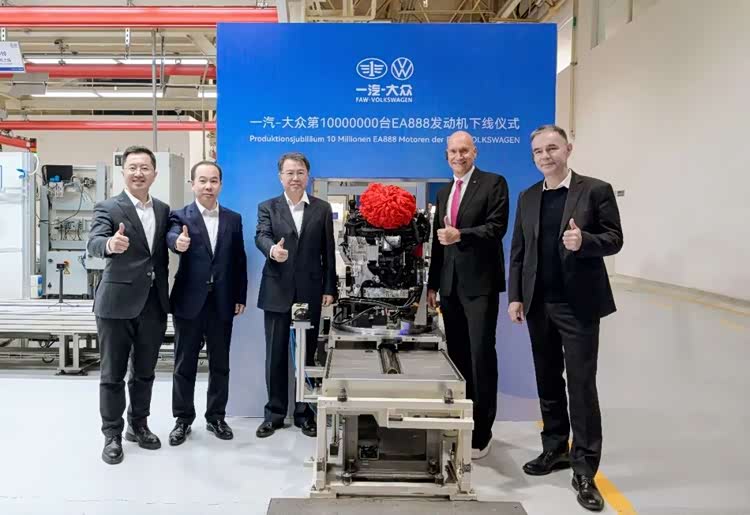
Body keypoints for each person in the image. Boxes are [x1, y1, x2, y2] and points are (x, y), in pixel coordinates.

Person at [508, 124, 623, 512]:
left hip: (578, 305)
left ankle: (585, 469)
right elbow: (519, 251)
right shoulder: (527, 197)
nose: (545, 156)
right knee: (547, 381)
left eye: (552, 148)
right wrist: (516, 296)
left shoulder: (595, 190)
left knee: (581, 385)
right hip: (538, 304)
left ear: (568, 149)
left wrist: (585, 241)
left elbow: (615, 238)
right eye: (538, 151)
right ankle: (555, 448)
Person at [427, 130, 509, 460]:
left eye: (464, 150)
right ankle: (461, 420)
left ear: (475, 152)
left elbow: (496, 227)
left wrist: (460, 234)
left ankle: (482, 431)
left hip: (480, 286)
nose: (458, 156)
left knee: (480, 356)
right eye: (453, 151)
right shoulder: (444, 191)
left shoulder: (493, 183)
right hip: (450, 287)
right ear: (446, 155)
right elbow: (438, 243)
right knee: (458, 357)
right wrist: (432, 284)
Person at [87, 145, 170, 465]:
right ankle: (112, 434)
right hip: (116, 304)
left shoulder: (162, 209)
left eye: (144, 168)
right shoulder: (108, 207)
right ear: (123, 172)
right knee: (112, 374)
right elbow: (94, 242)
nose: (139, 173)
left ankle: (139, 425)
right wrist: (110, 243)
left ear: (154, 173)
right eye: (133, 167)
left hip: (153, 303)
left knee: (145, 372)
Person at [254, 152, 336, 439]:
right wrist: (272, 250)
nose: (295, 178)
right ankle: (274, 415)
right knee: (275, 354)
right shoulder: (268, 207)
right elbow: (261, 235)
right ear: (281, 177)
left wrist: (329, 288)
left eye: (300, 172)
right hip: (276, 289)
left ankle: (304, 414)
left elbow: (328, 251)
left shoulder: (322, 209)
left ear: (307, 176)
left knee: (307, 353)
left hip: (310, 291)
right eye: (289, 173)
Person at [165, 160, 248, 445]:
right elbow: (172, 236)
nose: (208, 186)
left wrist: (240, 295)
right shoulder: (180, 216)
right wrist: (178, 243)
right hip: (189, 302)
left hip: (222, 302)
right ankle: (182, 420)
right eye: (202, 180)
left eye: (213, 181)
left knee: (220, 364)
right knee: (184, 364)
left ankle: (216, 417)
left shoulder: (233, 219)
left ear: (220, 185)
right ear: (192, 184)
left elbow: (239, 259)